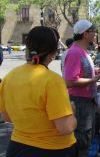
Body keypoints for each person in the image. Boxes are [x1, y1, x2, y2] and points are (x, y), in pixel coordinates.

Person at [0, 26, 77, 157]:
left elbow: (7, 117)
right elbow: (66, 127)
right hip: (53, 149)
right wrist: (72, 110)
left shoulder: (9, 77)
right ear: (53, 53)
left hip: (17, 147)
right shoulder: (53, 81)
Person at [63, 19, 100, 156]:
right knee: (82, 140)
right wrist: (94, 79)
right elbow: (70, 81)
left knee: (86, 138)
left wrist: (95, 71)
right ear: (85, 34)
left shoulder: (82, 51)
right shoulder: (75, 52)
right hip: (80, 103)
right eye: (93, 31)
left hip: (87, 102)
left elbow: (81, 73)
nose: (95, 34)